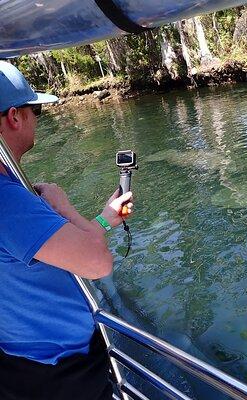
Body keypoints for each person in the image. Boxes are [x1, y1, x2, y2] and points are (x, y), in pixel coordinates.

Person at [0, 60, 133, 399]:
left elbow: (56, 248)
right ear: (15, 117)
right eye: (35, 112)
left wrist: (104, 219)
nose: (35, 121)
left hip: (22, 359)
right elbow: (97, 264)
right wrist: (63, 205)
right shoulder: (7, 200)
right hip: (57, 371)